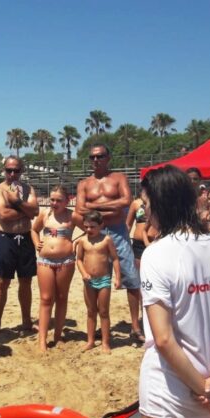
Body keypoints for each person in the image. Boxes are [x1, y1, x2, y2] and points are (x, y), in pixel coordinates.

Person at [138, 165, 210, 418]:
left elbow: (163, 339)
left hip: (168, 393)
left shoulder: (156, 254)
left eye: (146, 204)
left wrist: (205, 390)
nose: (144, 211)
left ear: (160, 204)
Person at [74, 144, 143, 342]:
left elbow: (126, 201)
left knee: (131, 279)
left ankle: (135, 326)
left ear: (108, 157)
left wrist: (94, 206)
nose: (96, 160)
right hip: (96, 234)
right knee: (96, 278)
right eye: (92, 157)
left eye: (100, 156)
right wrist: (111, 208)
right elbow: (80, 209)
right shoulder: (84, 183)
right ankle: (98, 326)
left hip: (118, 231)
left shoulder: (118, 178)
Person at [0, 156, 39, 335]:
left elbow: (36, 211)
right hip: (6, 238)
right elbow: (3, 215)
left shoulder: (28, 189)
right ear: (4, 170)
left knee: (26, 281)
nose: (12, 174)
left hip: (25, 238)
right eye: (9, 170)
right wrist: (26, 211)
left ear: (21, 171)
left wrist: (16, 201)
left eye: (16, 170)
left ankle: (26, 321)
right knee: (2, 282)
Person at [31, 185, 76, 352]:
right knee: (46, 298)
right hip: (45, 261)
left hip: (66, 261)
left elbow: (90, 229)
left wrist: (76, 242)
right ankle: (42, 340)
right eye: (52, 199)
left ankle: (57, 335)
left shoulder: (72, 216)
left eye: (59, 200)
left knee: (62, 297)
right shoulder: (45, 214)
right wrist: (37, 243)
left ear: (67, 201)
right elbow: (34, 230)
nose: (54, 203)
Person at [76, 210, 121, 353]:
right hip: (88, 281)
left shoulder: (106, 240)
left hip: (104, 280)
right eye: (86, 227)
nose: (89, 229)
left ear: (101, 225)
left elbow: (115, 258)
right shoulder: (83, 241)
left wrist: (118, 277)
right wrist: (83, 273)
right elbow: (79, 259)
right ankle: (90, 341)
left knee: (103, 311)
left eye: (92, 227)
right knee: (91, 311)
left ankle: (105, 342)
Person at [126, 192, 157, 269]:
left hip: (156, 243)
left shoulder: (160, 201)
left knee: (154, 269)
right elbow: (128, 224)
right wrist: (125, 242)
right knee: (138, 270)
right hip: (139, 245)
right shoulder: (136, 203)